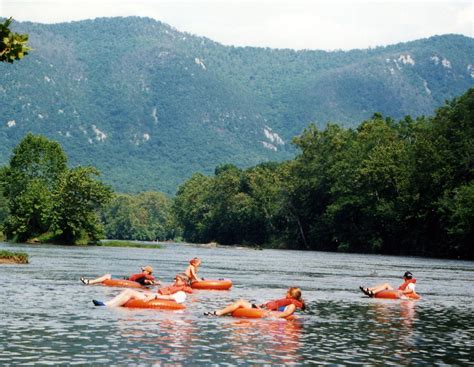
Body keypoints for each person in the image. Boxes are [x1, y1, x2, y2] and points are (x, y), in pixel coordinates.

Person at [204, 287, 306, 318]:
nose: (285, 293)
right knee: (240, 301)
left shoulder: (292, 305)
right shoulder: (286, 302)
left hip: (264, 312)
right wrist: (264, 305)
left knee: (240, 302)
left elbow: (285, 314)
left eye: (287, 292)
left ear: (292, 296)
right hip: (262, 309)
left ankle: (218, 313)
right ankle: (218, 312)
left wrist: (270, 315)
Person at [92, 274, 190, 307]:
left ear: (184, 282)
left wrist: (155, 296)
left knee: (130, 292)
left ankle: (107, 305)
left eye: (177, 280)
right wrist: (149, 293)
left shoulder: (182, 293)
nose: (174, 281)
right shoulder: (173, 288)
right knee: (128, 291)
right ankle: (108, 304)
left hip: (158, 300)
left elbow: (171, 298)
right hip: (154, 297)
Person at [81, 265, 159, 286]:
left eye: (143, 270)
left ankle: (89, 282)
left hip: (125, 282)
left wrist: (153, 282)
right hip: (124, 280)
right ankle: (91, 283)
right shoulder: (143, 277)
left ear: (148, 272)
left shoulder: (145, 278)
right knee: (106, 278)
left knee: (108, 275)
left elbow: (147, 281)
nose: (142, 271)